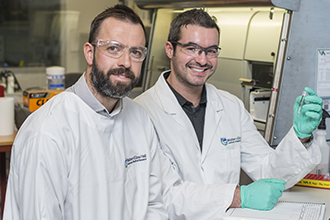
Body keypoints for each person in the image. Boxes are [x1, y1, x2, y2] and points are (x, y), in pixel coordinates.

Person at [135, 8, 323, 216]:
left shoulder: (230, 106)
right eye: (192, 48)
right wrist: (239, 196)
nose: (202, 60)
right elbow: (163, 195)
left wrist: (301, 136)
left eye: (211, 51)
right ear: (170, 49)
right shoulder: (141, 113)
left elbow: (268, 171)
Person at [3, 5, 168, 220]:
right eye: (113, 48)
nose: (126, 62)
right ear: (90, 53)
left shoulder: (140, 118)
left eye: (136, 52)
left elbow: (155, 203)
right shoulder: (47, 132)